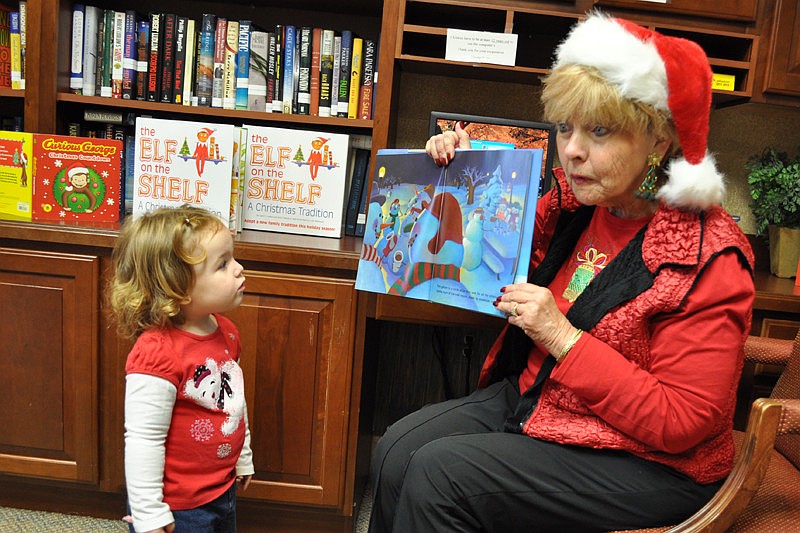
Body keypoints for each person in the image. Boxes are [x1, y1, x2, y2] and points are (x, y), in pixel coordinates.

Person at [368, 11, 755, 532]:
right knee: (395, 450)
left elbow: (682, 422)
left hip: (651, 462)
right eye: (566, 127)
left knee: (440, 477)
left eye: (599, 131)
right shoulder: (571, 206)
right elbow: (491, 262)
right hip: (541, 401)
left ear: (658, 143)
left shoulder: (709, 256)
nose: (572, 149)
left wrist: (561, 336)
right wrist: (455, 172)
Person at [109, 204, 253, 533]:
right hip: (177, 508)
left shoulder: (227, 332)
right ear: (179, 286)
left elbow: (233, 403)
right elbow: (144, 439)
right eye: (222, 264)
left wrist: (242, 454)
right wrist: (148, 513)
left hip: (221, 488)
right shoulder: (157, 353)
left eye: (232, 258)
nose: (239, 269)